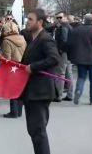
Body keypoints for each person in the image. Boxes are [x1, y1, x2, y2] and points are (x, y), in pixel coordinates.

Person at [21, 9, 60, 154]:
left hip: (40, 91)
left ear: (40, 22)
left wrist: (34, 67)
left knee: (38, 131)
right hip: (33, 91)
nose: (27, 22)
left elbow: (54, 58)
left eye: (31, 19)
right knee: (34, 130)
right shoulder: (34, 39)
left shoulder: (45, 39)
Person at [68, 14, 92, 105]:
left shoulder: (76, 31)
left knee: (81, 77)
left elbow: (70, 44)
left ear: (84, 21)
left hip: (80, 58)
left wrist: (71, 57)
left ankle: (78, 91)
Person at [1, 21, 27, 118]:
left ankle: (13, 112)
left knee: (12, 90)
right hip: (21, 66)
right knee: (19, 89)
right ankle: (19, 111)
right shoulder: (22, 38)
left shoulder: (6, 40)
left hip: (12, 66)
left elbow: (7, 57)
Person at [54, 11, 73, 101]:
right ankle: (70, 94)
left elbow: (64, 40)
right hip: (67, 52)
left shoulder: (63, 28)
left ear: (65, 17)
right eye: (57, 17)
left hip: (63, 53)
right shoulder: (68, 27)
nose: (58, 19)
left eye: (60, 17)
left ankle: (59, 95)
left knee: (60, 73)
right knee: (68, 73)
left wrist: (61, 50)